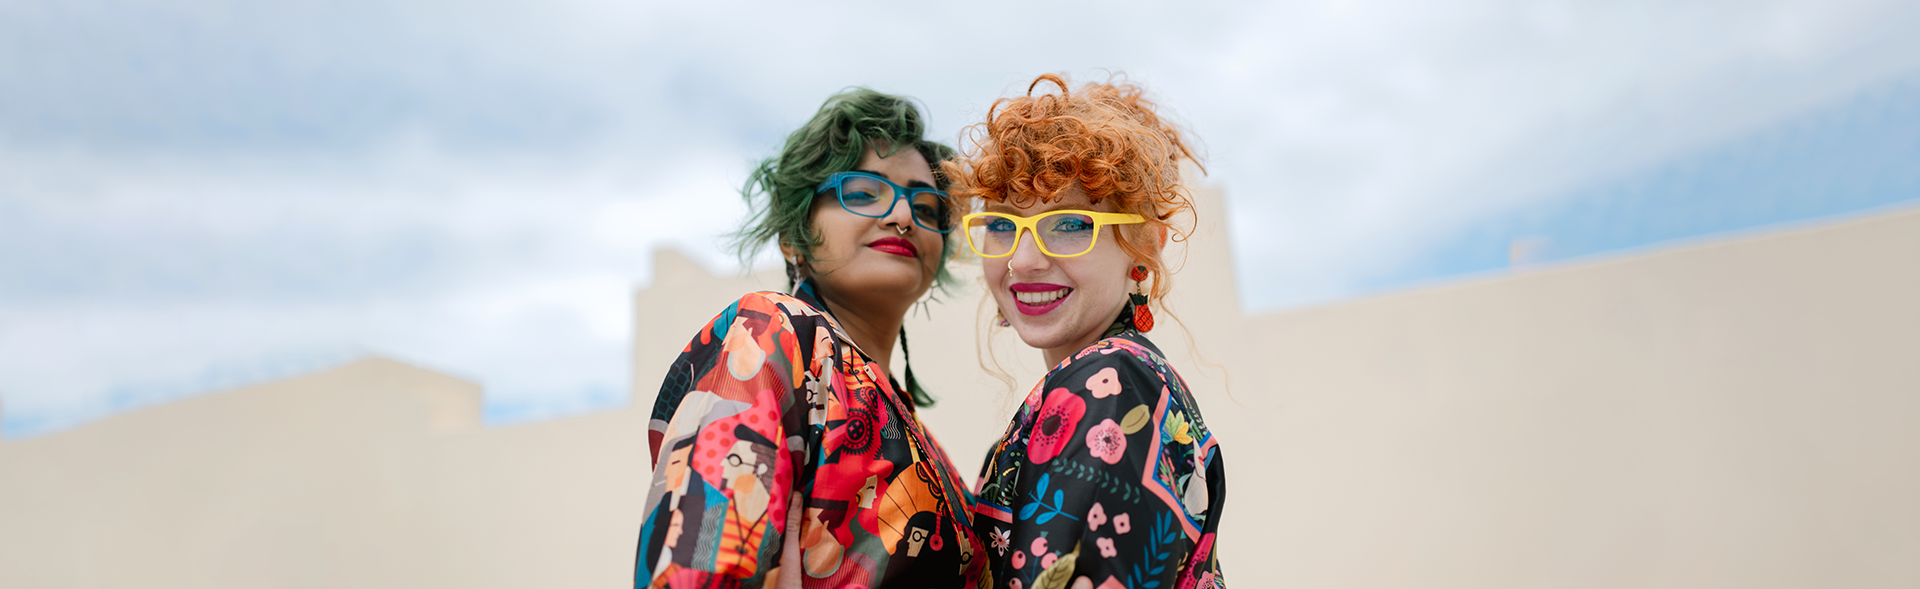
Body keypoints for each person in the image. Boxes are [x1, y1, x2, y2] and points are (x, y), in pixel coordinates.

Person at [636, 88, 984, 588]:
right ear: (794, 234)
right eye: (863, 192)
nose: (904, 217)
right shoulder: (768, 331)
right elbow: (694, 566)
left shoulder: (927, 445)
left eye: (927, 207)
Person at [944, 74, 1227, 589]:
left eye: (1070, 223)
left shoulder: (1109, 385)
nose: (1023, 261)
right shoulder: (1114, 381)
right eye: (1003, 224)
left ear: (1145, 244)